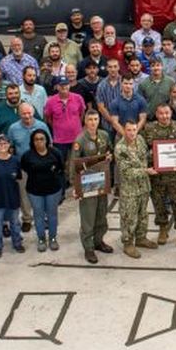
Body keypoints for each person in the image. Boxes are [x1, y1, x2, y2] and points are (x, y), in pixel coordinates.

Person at [66, 111, 112, 263]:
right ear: (85, 121)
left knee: (101, 214)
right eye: (90, 119)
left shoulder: (104, 135)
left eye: (96, 119)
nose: (93, 122)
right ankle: (88, 248)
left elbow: (109, 151)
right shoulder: (80, 140)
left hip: (102, 180)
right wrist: (75, 186)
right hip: (87, 184)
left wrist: (110, 156)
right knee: (88, 218)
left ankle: (98, 241)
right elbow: (74, 163)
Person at [142, 104, 176, 247]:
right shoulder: (149, 128)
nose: (164, 116)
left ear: (171, 113)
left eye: (167, 113)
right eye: (161, 113)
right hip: (157, 175)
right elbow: (143, 149)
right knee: (159, 204)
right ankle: (163, 229)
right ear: (156, 114)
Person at [115, 120, 158, 258]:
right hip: (129, 190)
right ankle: (128, 243)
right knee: (129, 217)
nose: (132, 133)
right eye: (129, 130)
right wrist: (146, 171)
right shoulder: (120, 148)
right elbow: (126, 172)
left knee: (143, 214)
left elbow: (146, 156)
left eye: (134, 130)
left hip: (144, 187)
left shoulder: (140, 140)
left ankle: (141, 238)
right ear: (124, 130)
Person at [20, 129, 64, 253]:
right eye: (36, 139)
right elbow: (24, 168)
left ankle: (53, 238)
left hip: (53, 189)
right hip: (34, 191)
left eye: (42, 139)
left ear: (47, 140)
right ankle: (41, 239)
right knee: (38, 215)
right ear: (32, 141)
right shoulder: (27, 156)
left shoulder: (55, 153)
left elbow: (61, 168)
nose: (39, 142)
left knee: (52, 215)